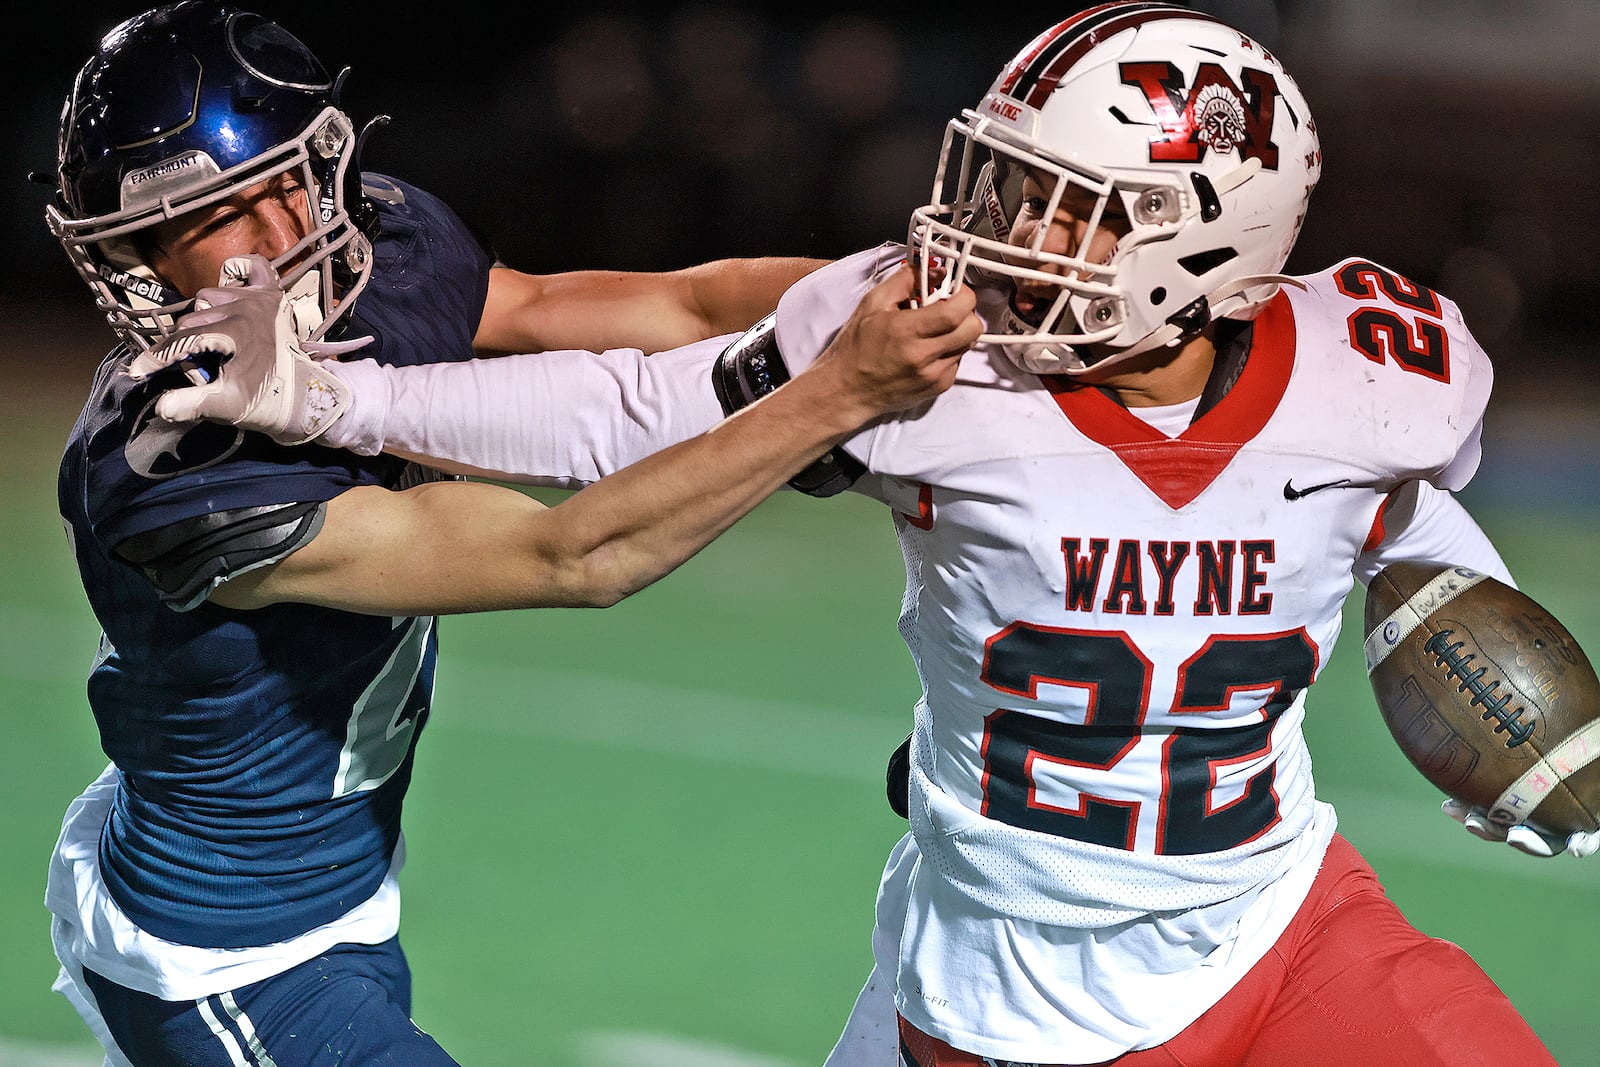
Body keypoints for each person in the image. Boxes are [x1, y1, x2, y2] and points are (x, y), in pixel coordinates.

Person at [143, 3, 1600, 1065]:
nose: (1002, 226)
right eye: (1008, 181)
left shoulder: (1374, 366)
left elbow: (1394, 497)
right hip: (1017, 999)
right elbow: (629, 409)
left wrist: (1484, 661)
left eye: (1067, 208)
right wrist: (337, 396)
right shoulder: (930, 364)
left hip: (1281, 924)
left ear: (1197, 242)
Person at [39, 3, 981, 1065]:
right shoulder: (170, 461)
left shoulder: (382, 248)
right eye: (207, 220)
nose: (265, 248)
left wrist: (925, 285)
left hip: (333, 888)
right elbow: (571, 553)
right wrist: (836, 393)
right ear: (131, 257)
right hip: (223, 951)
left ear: (328, 165)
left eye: (277, 188)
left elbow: (671, 308)